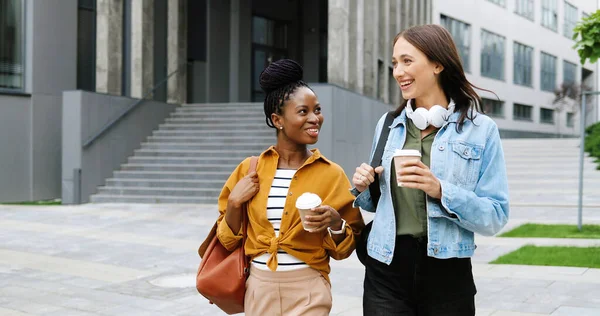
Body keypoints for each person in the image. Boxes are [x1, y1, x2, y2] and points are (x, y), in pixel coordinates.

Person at [351, 24, 510, 315]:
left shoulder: (481, 130)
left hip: (448, 273)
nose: (398, 71)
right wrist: (365, 185)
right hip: (386, 267)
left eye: (407, 61)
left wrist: (440, 190)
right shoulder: (388, 124)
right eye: (395, 62)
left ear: (438, 64)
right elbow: (378, 202)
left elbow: (495, 216)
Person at [216, 59, 365, 315]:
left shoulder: (332, 174)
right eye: (303, 111)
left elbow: (346, 249)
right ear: (278, 120)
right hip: (259, 288)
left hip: (308, 288)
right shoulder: (249, 169)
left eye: (317, 110)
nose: (314, 118)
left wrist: (335, 222)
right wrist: (233, 204)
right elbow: (226, 240)